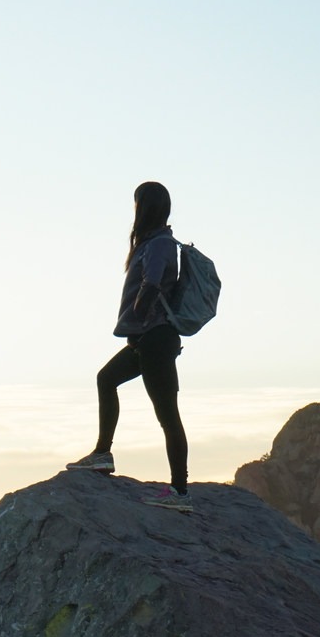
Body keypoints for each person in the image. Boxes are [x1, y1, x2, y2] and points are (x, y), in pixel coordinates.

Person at [66, 181, 192, 512]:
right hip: (146, 340)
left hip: (156, 341)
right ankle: (102, 455)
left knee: (168, 415)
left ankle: (180, 492)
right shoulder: (153, 241)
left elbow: (151, 284)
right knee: (106, 379)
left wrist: (137, 313)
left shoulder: (161, 244)